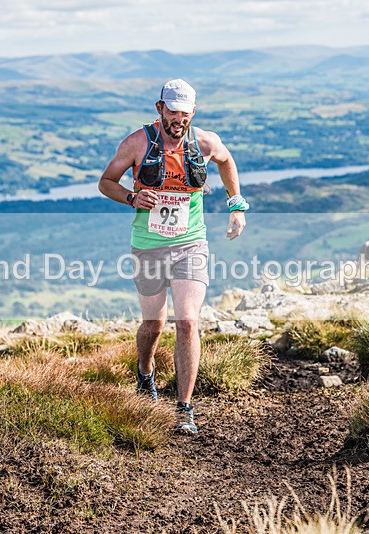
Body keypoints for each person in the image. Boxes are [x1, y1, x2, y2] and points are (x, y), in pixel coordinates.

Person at [98, 79, 248, 434]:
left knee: (188, 322)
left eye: (185, 112)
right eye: (172, 111)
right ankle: (145, 373)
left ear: (192, 112)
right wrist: (132, 198)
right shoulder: (137, 142)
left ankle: (184, 409)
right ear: (159, 108)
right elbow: (106, 182)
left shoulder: (205, 143)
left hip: (190, 243)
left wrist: (236, 204)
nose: (178, 119)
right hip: (148, 244)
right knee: (154, 325)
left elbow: (227, 162)